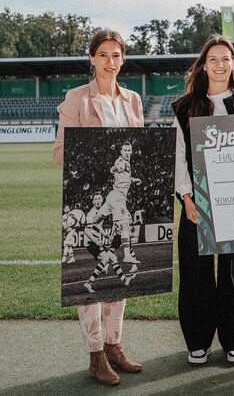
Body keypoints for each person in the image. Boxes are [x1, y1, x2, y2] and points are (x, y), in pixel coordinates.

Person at [52, 29, 143, 386]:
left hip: (120, 199)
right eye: (103, 54)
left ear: (123, 59)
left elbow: (140, 147)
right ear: (92, 58)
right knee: (90, 283)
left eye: (116, 55)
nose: (110, 62)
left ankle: (114, 346)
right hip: (89, 200)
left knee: (120, 274)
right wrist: (95, 156)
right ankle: (95, 356)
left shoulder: (133, 100)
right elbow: (59, 152)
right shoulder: (76, 98)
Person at [172, 34, 234, 366]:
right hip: (197, 203)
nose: (220, 64)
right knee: (196, 272)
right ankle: (197, 340)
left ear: (233, 64)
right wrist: (187, 198)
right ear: (204, 65)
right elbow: (179, 157)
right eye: (213, 59)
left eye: (226, 59)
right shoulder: (184, 106)